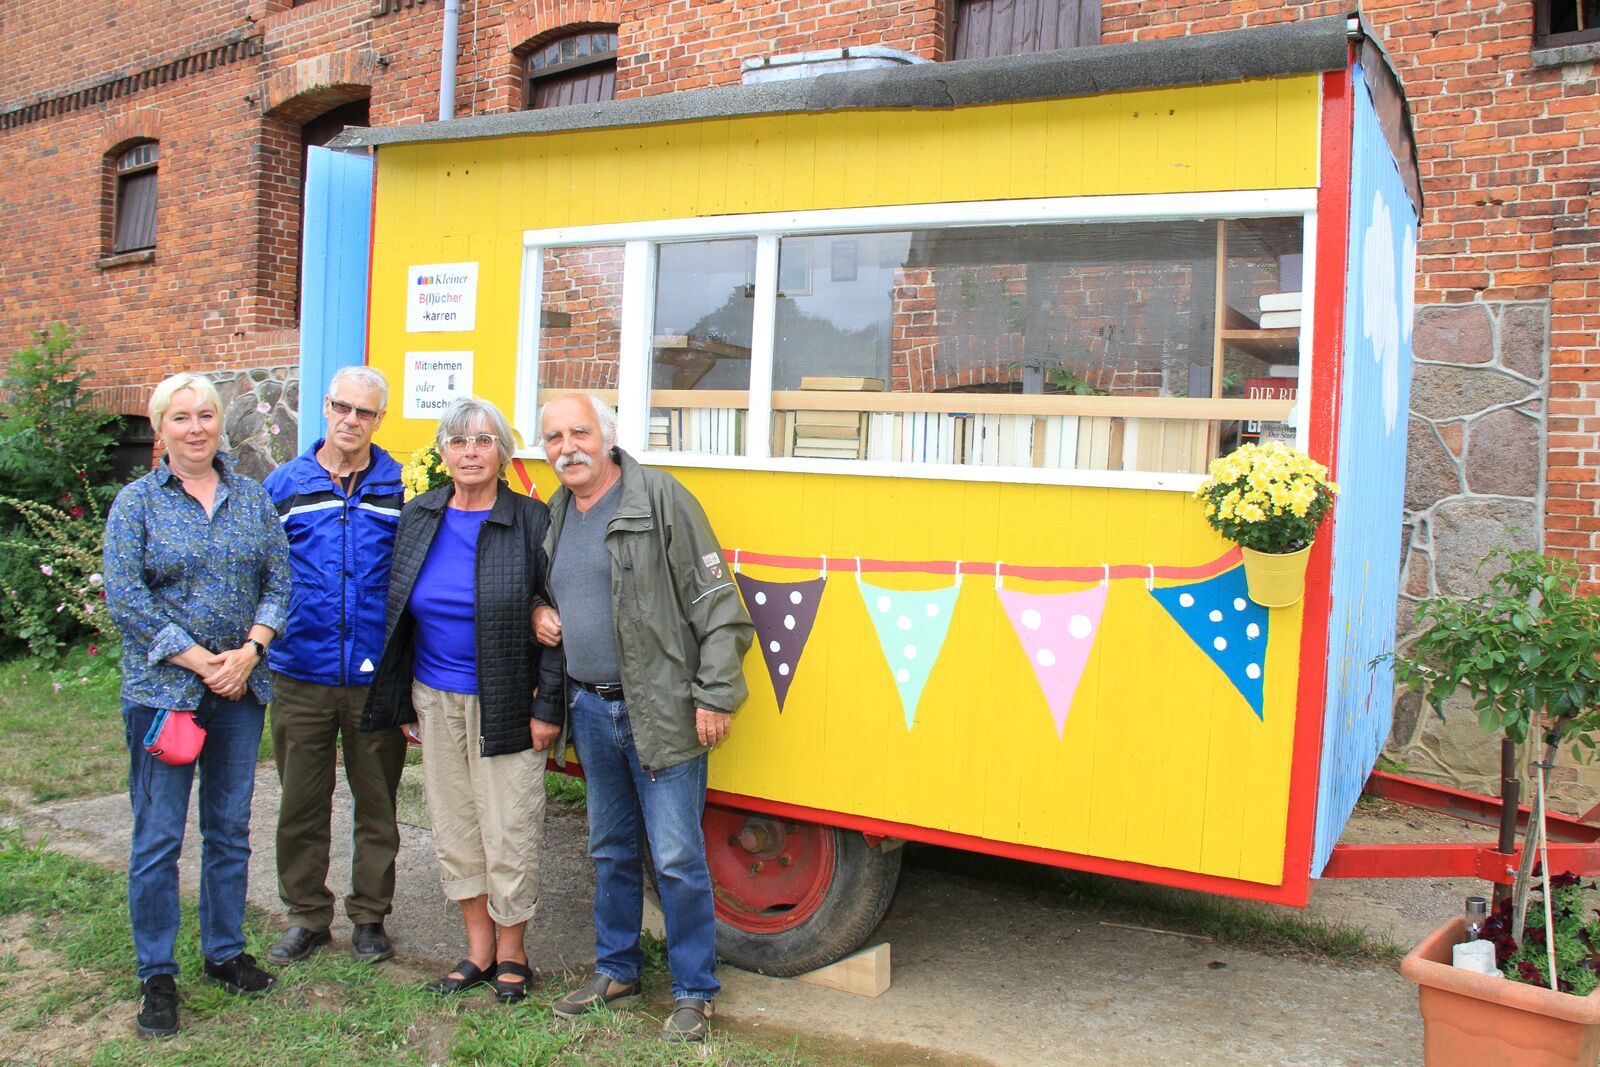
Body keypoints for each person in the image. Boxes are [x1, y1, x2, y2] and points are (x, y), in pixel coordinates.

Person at [536, 392, 753, 1044]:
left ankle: (693, 990)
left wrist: (715, 694)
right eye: (553, 437)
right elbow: (562, 594)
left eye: (579, 431)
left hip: (658, 709)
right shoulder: (557, 511)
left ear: (607, 435)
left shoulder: (660, 499)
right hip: (590, 707)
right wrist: (539, 615)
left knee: (679, 856)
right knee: (609, 847)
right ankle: (617, 969)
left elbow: (717, 604)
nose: (567, 446)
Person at [104, 372, 291, 1038]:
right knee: (158, 836)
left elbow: (278, 576)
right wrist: (195, 658)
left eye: (205, 414)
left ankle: (224, 951)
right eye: (180, 417)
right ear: (160, 430)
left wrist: (249, 651)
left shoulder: (251, 498)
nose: (195, 427)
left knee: (229, 828)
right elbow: (125, 596)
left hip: (239, 691)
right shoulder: (137, 503)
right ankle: (157, 974)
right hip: (165, 696)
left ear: (219, 424)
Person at [361, 396, 563, 1004]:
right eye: (458, 441)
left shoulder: (531, 520)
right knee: (455, 829)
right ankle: (476, 950)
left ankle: (513, 953)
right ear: (443, 452)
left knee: (510, 828)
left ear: (502, 451)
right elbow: (398, 614)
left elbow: (559, 619)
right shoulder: (419, 515)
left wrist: (548, 707)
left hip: (507, 700)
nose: (470, 452)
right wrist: (401, 701)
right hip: (434, 696)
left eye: (483, 441)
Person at [261, 366, 408, 966]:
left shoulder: (401, 486)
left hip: (375, 678)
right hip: (300, 672)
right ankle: (306, 916)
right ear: (325, 407)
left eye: (365, 412)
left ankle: (370, 916)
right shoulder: (283, 485)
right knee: (301, 803)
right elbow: (262, 574)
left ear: (380, 419)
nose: (351, 421)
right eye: (342, 408)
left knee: (378, 804)